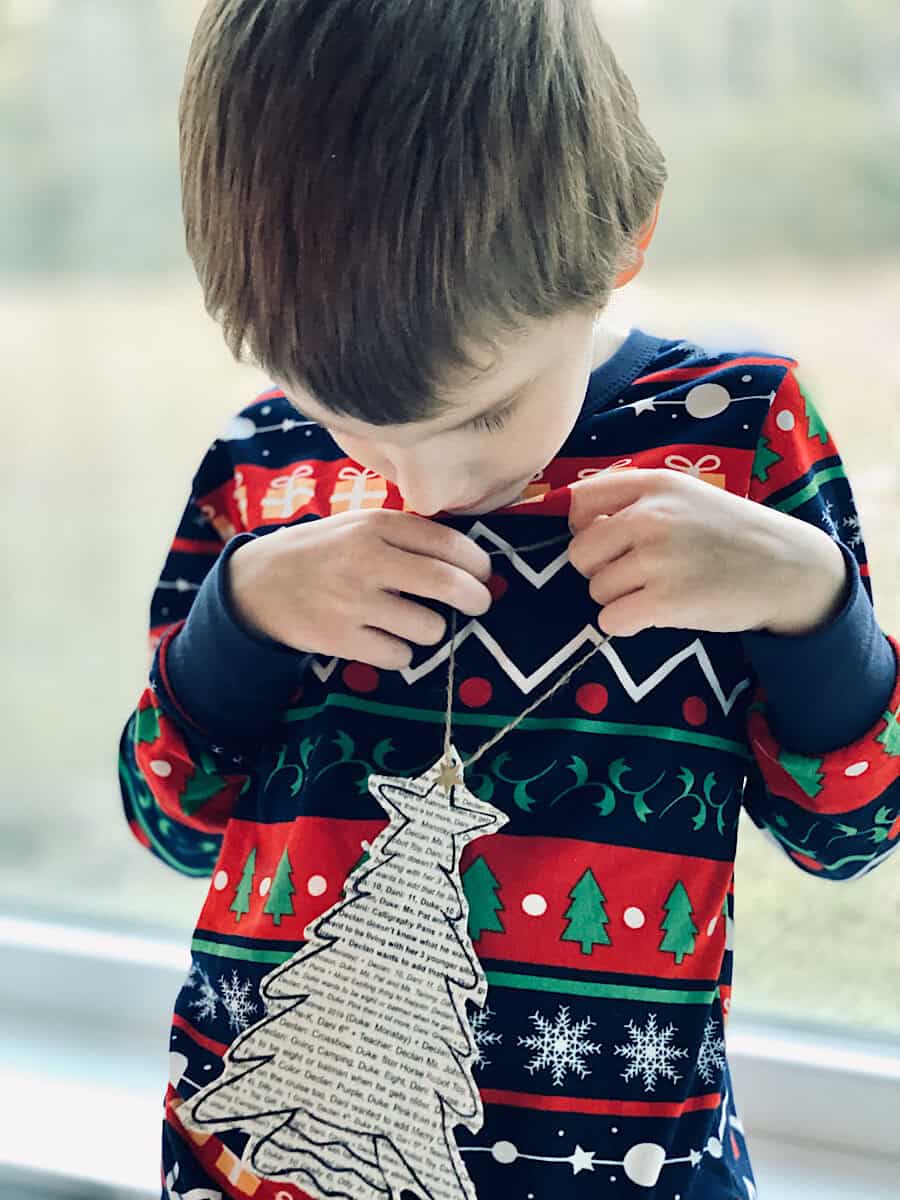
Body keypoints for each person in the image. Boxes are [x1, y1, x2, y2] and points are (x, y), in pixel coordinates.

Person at [118, 2, 900, 1198]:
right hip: (257, 1162)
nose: (426, 483)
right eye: (349, 419)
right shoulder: (263, 469)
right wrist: (244, 617)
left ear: (625, 239)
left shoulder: (734, 440)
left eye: (485, 415)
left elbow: (850, 831)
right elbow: (170, 819)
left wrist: (808, 602)